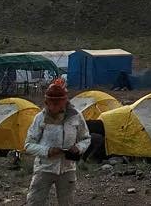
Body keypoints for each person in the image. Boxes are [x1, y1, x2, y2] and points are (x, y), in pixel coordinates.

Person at [24, 78, 91, 206]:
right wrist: (47, 151)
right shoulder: (40, 118)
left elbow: (86, 138)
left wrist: (78, 148)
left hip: (67, 168)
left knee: (67, 203)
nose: (55, 106)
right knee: (34, 202)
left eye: (59, 103)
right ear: (46, 102)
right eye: (52, 103)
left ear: (65, 101)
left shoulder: (76, 116)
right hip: (44, 168)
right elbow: (28, 145)